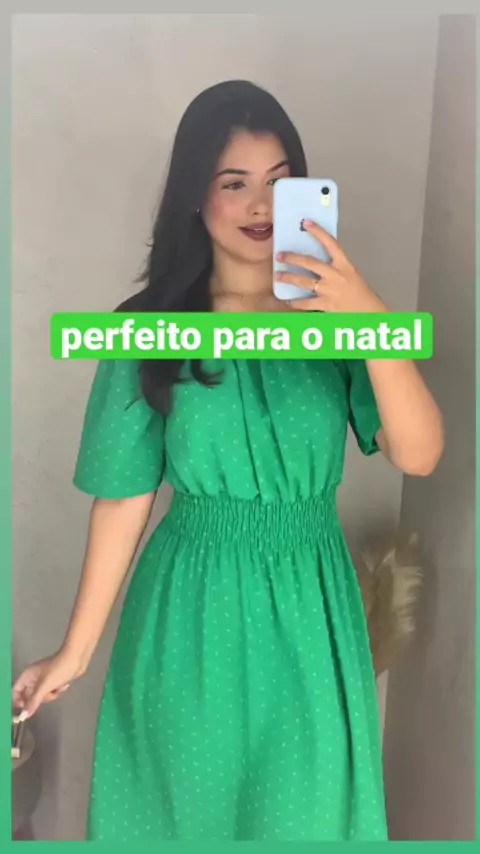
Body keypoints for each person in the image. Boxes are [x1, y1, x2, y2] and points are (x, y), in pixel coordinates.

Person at [12, 80, 444, 842]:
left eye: (280, 182)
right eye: (234, 183)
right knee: (184, 815)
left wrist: (369, 314)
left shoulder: (339, 322)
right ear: (195, 196)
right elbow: (123, 497)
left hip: (311, 605)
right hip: (190, 609)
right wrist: (73, 653)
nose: (261, 206)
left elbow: (420, 453)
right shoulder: (148, 328)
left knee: (306, 818)